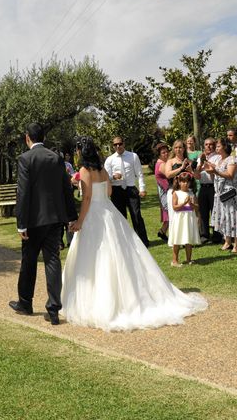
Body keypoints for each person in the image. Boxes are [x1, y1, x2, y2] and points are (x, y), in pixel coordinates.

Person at [61, 136, 207, 331]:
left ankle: (101, 301)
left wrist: (80, 221)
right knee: (117, 252)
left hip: (94, 214)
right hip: (108, 211)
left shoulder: (84, 170)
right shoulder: (102, 169)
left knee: (96, 256)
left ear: (81, 152)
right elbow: (110, 192)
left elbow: (86, 198)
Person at [9, 123, 78, 326]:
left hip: (33, 221)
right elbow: (66, 188)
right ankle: (54, 309)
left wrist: (21, 223)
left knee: (29, 261)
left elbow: (22, 193)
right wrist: (70, 215)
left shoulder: (25, 159)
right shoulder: (56, 158)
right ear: (44, 137)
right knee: (52, 261)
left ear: (27, 137)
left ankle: (25, 302)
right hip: (55, 218)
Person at [104, 136, 150, 246]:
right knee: (120, 217)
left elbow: (139, 174)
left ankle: (142, 241)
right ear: (113, 146)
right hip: (117, 190)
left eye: (120, 144)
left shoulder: (133, 156)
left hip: (131, 189)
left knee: (136, 215)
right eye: (115, 144)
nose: (118, 146)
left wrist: (142, 188)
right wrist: (113, 177)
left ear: (124, 144)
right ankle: (123, 242)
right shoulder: (109, 160)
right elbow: (105, 177)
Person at [204, 138, 237, 253]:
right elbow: (214, 174)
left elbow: (230, 175)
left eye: (218, 146)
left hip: (230, 193)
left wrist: (215, 171)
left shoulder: (231, 160)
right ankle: (227, 241)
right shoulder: (219, 161)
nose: (216, 148)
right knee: (224, 217)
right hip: (219, 193)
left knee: (234, 217)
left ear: (225, 147)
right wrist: (210, 170)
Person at [160, 139, 196, 231]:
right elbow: (168, 174)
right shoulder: (170, 161)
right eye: (176, 148)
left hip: (188, 191)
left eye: (180, 147)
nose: (178, 149)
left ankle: (187, 238)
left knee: (188, 215)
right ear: (173, 149)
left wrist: (191, 171)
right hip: (174, 191)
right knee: (174, 216)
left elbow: (197, 176)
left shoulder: (190, 161)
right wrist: (181, 168)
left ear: (184, 148)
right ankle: (175, 240)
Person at [168, 173, 200, 267]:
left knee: (188, 238)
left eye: (186, 181)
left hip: (189, 218)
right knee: (177, 239)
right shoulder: (176, 193)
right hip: (180, 218)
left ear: (190, 182)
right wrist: (184, 203)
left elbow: (197, 207)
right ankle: (174, 260)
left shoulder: (191, 193)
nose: (184, 184)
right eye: (182, 181)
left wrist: (191, 204)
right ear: (178, 182)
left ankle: (189, 259)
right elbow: (175, 207)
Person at [197, 138, 221, 243]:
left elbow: (216, 170)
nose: (208, 146)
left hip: (213, 187)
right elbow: (197, 175)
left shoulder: (218, 157)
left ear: (214, 145)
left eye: (211, 144)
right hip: (203, 187)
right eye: (206, 144)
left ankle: (217, 235)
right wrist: (200, 163)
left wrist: (206, 162)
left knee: (215, 211)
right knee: (203, 212)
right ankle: (204, 235)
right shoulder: (200, 157)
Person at [154, 143, 170, 242]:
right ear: (159, 154)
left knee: (168, 216)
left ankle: (162, 232)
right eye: (163, 153)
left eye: (167, 152)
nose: (166, 154)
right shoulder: (162, 164)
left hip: (164, 191)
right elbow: (170, 175)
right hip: (165, 192)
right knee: (171, 215)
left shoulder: (159, 163)